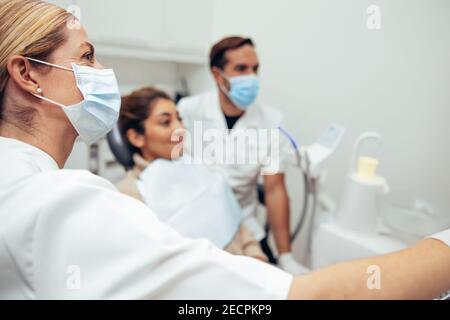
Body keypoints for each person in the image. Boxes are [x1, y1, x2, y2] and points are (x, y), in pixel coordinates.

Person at [0, 0, 449, 300]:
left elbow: (274, 192)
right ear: (28, 74)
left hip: (240, 235)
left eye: (256, 67)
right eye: (87, 56)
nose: (102, 71)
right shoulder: (75, 201)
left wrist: (281, 255)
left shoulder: (25, 180)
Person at [178, 36, 307, 273]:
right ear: (218, 75)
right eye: (241, 69)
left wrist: (286, 256)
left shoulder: (272, 121)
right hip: (191, 219)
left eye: (255, 69)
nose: (251, 77)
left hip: (242, 223)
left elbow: (274, 189)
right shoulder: (188, 110)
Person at [116, 86, 268, 261]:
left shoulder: (197, 165)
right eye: (166, 122)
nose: (180, 129)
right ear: (136, 137)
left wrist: (256, 258)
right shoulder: (131, 194)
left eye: (179, 119)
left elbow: (237, 222)